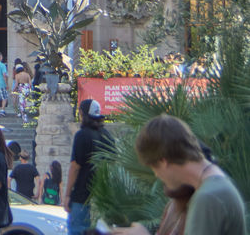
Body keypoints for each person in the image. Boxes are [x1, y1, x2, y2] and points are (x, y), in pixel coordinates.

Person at [115, 114, 246, 235]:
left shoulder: (208, 197)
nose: (156, 175)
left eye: (154, 168)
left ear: (163, 161)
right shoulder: (215, 185)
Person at [63, 98, 113, 235]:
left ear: (82, 114)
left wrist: (67, 195)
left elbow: (75, 167)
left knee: (77, 230)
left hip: (81, 196)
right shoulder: (107, 136)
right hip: (102, 197)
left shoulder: (82, 135)